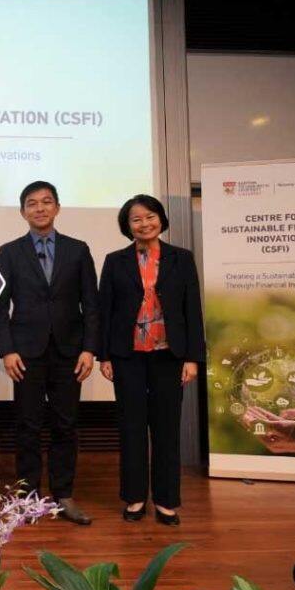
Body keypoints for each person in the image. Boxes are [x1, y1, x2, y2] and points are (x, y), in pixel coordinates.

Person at [0, 180, 99, 525]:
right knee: (28, 425)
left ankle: (63, 495)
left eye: (46, 201)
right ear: (23, 211)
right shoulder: (10, 252)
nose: (39, 208)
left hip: (69, 351)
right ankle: (28, 498)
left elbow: (91, 304)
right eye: (32, 203)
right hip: (25, 353)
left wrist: (89, 349)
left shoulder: (78, 250)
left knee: (66, 425)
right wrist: (7, 350)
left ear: (57, 207)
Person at [97, 194, 205, 526]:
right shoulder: (115, 261)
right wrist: (104, 355)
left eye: (150, 216)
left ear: (160, 218)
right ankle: (134, 498)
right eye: (136, 219)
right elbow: (104, 311)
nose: (144, 224)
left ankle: (166, 501)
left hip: (169, 355)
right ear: (127, 226)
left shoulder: (181, 258)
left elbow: (192, 310)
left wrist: (192, 357)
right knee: (131, 428)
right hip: (127, 356)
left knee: (166, 429)